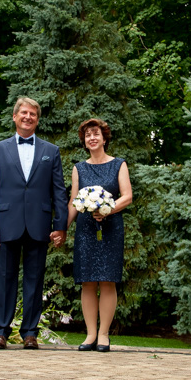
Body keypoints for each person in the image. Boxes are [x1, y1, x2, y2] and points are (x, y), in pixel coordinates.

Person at [0, 97, 67, 350]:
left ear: (37, 120)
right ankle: (0, 332)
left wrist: (60, 225)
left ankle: (30, 332)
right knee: (5, 279)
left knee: (34, 281)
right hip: (6, 223)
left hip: (39, 224)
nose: (28, 117)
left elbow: (59, 191)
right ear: (15, 116)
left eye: (33, 114)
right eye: (24, 113)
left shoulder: (51, 151)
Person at [66, 119, 132, 352]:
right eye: (87, 135)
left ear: (104, 138)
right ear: (84, 141)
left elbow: (127, 196)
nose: (92, 138)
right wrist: (62, 228)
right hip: (85, 230)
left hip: (111, 227)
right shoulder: (79, 168)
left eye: (96, 134)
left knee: (107, 280)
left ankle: (103, 334)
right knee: (87, 281)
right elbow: (74, 202)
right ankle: (90, 334)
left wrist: (106, 209)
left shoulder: (119, 164)